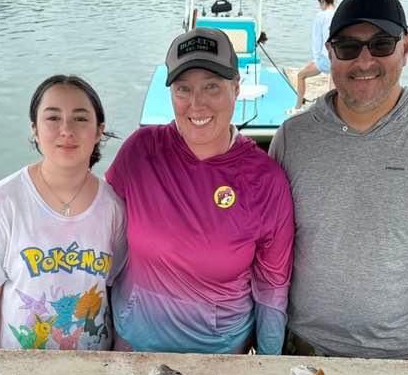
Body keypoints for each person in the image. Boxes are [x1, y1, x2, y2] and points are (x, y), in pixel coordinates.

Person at [270, 0, 408, 370]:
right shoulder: (293, 137)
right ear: (330, 52)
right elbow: (267, 245)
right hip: (301, 350)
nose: (364, 60)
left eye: (381, 44)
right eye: (348, 47)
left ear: (406, 46)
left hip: (399, 357)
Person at [106, 27, 294, 354]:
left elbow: (272, 287)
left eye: (212, 87)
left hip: (219, 357)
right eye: (183, 89)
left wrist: (268, 368)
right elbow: (100, 230)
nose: (197, 104)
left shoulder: (266, 180)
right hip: (133, 347)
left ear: (236, 88)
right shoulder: (140, 152)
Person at [0, 75, 126, 350]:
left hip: (96, 367)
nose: (66, 130)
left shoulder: (113, 207)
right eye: (53, 118)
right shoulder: (3, 203)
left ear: (98, 131)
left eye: (80, 118)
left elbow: (117, 291)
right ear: (35, 129)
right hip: (19, 369)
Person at [292, 0, 335, 112]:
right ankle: (333, 112)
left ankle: (298, 107)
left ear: (323, 1)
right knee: (332, 86)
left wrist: (319, 59)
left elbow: (319, 39)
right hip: (336, 57)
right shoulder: (337, 14)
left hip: (324, 58)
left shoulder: (321, 15)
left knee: (301, 75)